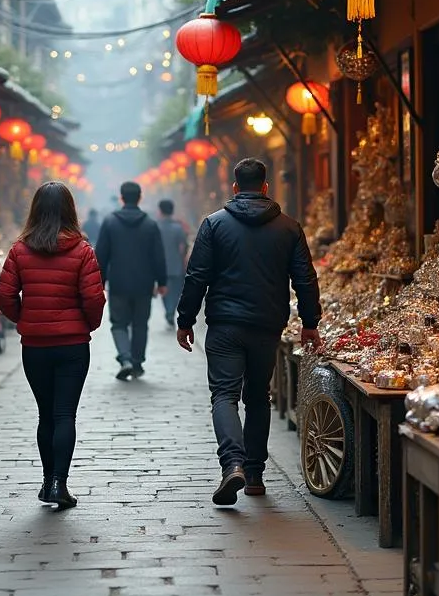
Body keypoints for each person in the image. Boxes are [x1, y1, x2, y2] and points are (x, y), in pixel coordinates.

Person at [176, 158, 322, 506]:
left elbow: (197, 275)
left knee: (224, 395)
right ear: (267, 187)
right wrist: (310, 322)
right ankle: (254, 475)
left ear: (235, 187)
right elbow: (305, 277)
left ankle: (233, 464)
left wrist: (185, 319)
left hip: (225, 324)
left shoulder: (213, 225)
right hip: (267, 326)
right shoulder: (289, 227)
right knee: (258, 396)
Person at [0, 182, 106, 510]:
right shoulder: (82, 250)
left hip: (35, 346)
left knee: (46, 414)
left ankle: (48, 482)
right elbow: (93, 298)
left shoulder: (19, 250)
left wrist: (24, 318)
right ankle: (59, 483)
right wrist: (88, 324)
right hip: (73, 345)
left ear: (35, 209)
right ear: (70, 210)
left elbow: (4, 295)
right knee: (64, 414)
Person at [95, 181, 167, 381]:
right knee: (140, 324)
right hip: (144, 284)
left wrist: (100, 282)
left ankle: (125, 358)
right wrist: (161, 282)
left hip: (118, 283)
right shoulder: (150, 224)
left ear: (121, 197)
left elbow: (101, 255)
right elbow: (158, 256)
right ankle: (137, 363)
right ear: (140, 197)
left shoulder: (110, 222)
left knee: (118, 323)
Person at [157, 199, 188, 330]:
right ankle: (171, 311)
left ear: (160, 211)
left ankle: (168, 311)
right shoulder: (178, 228)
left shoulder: (156, 227)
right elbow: (183, 247)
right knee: (176, 292)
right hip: (176, 265)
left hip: (161, 267)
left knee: (164, 292)